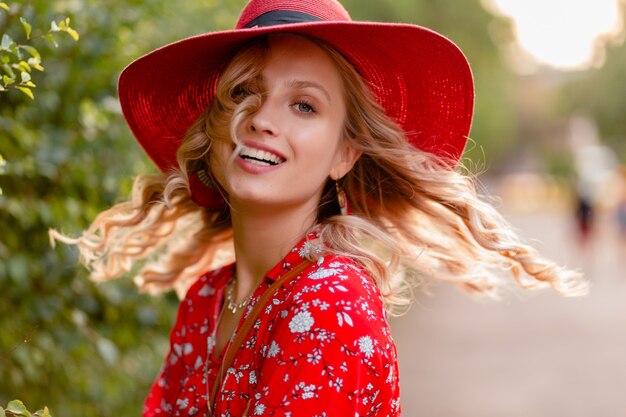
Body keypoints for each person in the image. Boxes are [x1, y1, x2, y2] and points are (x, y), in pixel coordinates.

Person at [51, 0, 587, 415]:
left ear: (343, 154)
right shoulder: (205, 299)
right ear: (211, 130)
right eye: (243, 93)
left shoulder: (330, 305)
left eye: (304, 104)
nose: (262, 119)